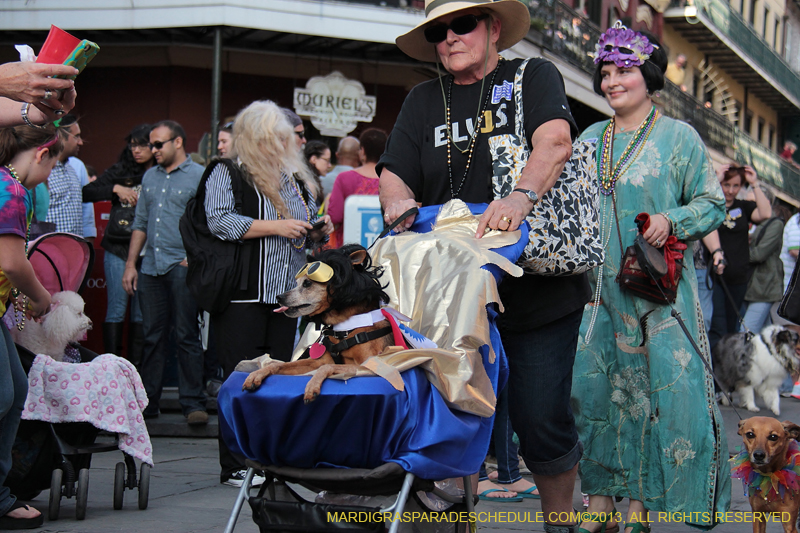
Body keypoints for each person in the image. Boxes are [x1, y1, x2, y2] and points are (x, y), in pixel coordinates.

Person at [379, 1, 586, 529]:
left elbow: (555, 141)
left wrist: (520, 196)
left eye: (462, 24)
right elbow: (394, 171)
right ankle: (457, 521)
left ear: (493, 28)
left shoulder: (531, 75)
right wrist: (397, 203)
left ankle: (560, 522)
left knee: (541, 421)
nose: (448, 37)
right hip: (450, 297)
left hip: (532, 286)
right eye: (438, 31)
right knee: (452, 413)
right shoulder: (424, 99)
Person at [572, 24, 731, 532]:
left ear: (648, 76)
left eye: (623, 71)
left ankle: (637, 506)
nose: (612, 81)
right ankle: (599, 502)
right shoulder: (589, 139)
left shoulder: (680, 137)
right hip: (593, 295)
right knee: (593, 396)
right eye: (605, 72)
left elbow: (713, 203)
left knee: (649, 398)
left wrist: (672, 220)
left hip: (656, 293)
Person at [202, 100, 332, 487]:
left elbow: (303, 228)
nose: (285, 142)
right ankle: (236, 464)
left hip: (286, 295)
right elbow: (220, 221)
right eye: (277, 136)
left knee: (276, 376)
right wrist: (278, 226)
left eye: (286, 136)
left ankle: (268, 458)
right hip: (242, 292)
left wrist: (317, 230)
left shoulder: (294, 177)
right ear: (257, 137)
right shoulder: (226, 171)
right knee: (241, 377)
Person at [122, 120, 208, 425]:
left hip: (181, 265)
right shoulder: (150, 177)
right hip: (151, 266)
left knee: (187, 335)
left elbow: (210, 223)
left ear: (178, 143)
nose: (152, 150)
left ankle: (192, 403)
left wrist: (195, 256)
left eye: (158, 144)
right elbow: (140, 223)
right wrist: (131, 264)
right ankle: (148, 402)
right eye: (151, 145)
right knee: (151, 336)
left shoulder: (199, 176)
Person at [0, 124, 63, 530]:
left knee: (15, 391)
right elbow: (11, 261)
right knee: (4, 395)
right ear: (42, 154)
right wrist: (41, 297)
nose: (52, 176)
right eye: (55, 166)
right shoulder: (13, 190)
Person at [83, 124, 154, 364]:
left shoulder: (162, 173)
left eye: (142, 145)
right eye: (133, 145)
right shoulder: (121, 169)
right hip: (118, 244)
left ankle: (135, 370)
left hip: (150, 248)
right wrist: (115, 188)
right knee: (116, 307)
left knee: (141, 314)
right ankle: (111, 368)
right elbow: (87, 192)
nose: (136, 150)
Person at [708, 164, 771, 348]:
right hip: (716, 276)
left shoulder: (743, 207)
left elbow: (766, 213)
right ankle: (714, 371)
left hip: (739, 277)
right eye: (727, 185)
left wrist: (754, 183)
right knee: (716, 326)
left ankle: (728, 369)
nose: (730, 190)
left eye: (736, 186)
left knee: (732, 327)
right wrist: (716, 179)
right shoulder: (712, 205)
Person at [327, 128, 386, 249]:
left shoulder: (344, 178)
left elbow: (335, 217)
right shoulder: (393, 181)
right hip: (383, 250)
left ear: (362, 151)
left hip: (349, 251)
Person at [741, 191, 785, 333]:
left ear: (766, 202)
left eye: (753, 202)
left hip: (764, 286)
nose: (749, 206)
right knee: (765, 333)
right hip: (751, 285)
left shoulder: (775, 224)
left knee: (746, 332)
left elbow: (759, 254)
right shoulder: (752, 221)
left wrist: (735, 253)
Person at [45, 115, 85, 236]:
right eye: (76, 136)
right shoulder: (43, 172)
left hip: (74, 250)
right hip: (49, 250)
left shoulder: (72, 168)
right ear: (60, 137)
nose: (81, 142)